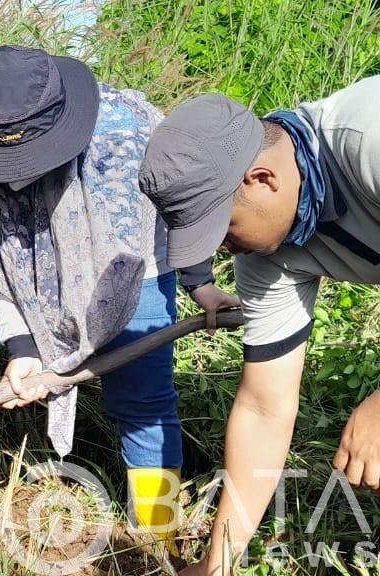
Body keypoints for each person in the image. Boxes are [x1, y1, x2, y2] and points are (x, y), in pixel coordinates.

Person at [0, 46, 237, 550]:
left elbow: (180, 208)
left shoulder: (130, 134)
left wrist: (199, 282)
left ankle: (158, 533)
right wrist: (23, 343)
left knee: (142, 392)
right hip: (18, 267)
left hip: (127, 268)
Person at [138, 76, 380, 574]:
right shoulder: (268, 255)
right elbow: (265, 409)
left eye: (222, 229)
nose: (220, 249)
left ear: (263, 179)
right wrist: (218, 564)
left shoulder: (368, 137)